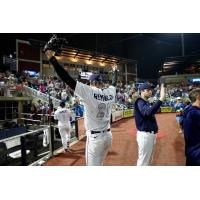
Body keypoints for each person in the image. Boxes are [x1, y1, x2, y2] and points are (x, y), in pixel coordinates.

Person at [45, 49, 118, 166]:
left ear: (92, 83)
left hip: (95, 137)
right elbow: (114, 84)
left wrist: (52, 59)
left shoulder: (89, 91)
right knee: (100, 164)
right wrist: (115, 71)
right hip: (108, 136)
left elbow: (67, 78)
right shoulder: (110, 91)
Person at [134, 82, 166, 166]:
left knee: (148, 160)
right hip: (145, 135)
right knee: (143, 162)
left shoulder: (145, 102)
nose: (150, 91)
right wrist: (161, 99)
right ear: (142, 91)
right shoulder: (140, 101)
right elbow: (147, 112)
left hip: (149, 135)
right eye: (148, 90)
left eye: (151, 90)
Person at [182, 88, 200, 166]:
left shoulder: (188, 110)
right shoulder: (196, 113)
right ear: (199, 97)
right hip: (197, 155)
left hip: (191, 152)